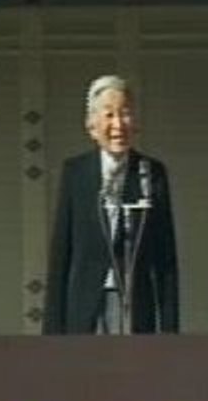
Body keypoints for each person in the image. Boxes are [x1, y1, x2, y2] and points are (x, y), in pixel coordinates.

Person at [43, 75, 179, 334]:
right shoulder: (76, 173)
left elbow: (165, 259)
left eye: (125, 114)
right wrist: (52, 331)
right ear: (92, 126)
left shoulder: (151, 173)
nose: (118, 124)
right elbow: (61, 252)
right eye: (109, 115)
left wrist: (170, 329)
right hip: (85, 305)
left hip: (134, 303)